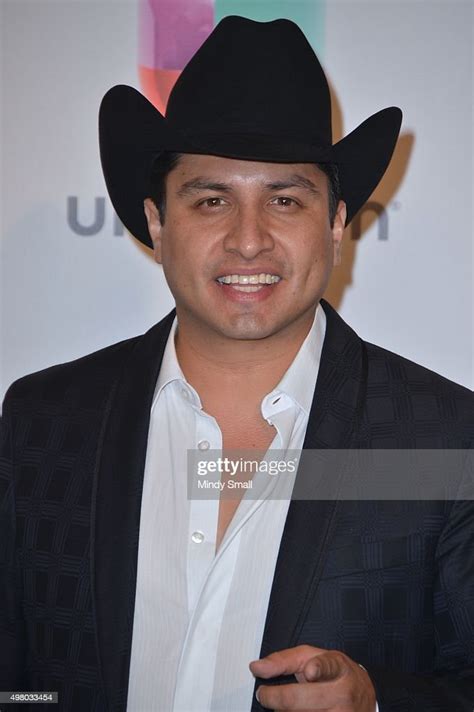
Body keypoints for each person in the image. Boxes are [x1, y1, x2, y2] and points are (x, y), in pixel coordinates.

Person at [1, 15, 472, 712]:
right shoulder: (45, 420)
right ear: (158, 224)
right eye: (212, 199)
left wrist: (377, 703)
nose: (248, 241)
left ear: (337, 223)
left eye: (285, 200)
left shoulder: (442, 438)